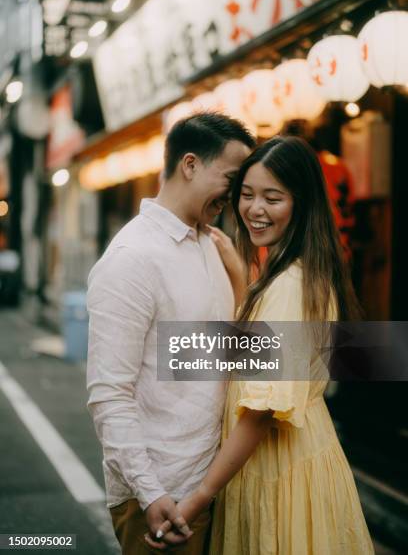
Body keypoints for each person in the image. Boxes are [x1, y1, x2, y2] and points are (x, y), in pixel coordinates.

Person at [151, 136, 374, 554]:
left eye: (273, 198)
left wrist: (198, 499)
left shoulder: (290, 285)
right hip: (282, 464)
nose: (255, 210)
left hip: (279, 470)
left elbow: (259, 413)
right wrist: (240, 278)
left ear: (301, 204)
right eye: (247, 195)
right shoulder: (288, 273)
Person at [86, 112, 255, 555]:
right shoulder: (131, 258)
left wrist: (240, 281)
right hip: (163, 496)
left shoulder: (212, 243)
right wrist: (150, 493)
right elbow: (109, 394)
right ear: (191, 164)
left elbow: (224, 356)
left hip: (212, 487)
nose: (237, 196)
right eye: (233, 179)